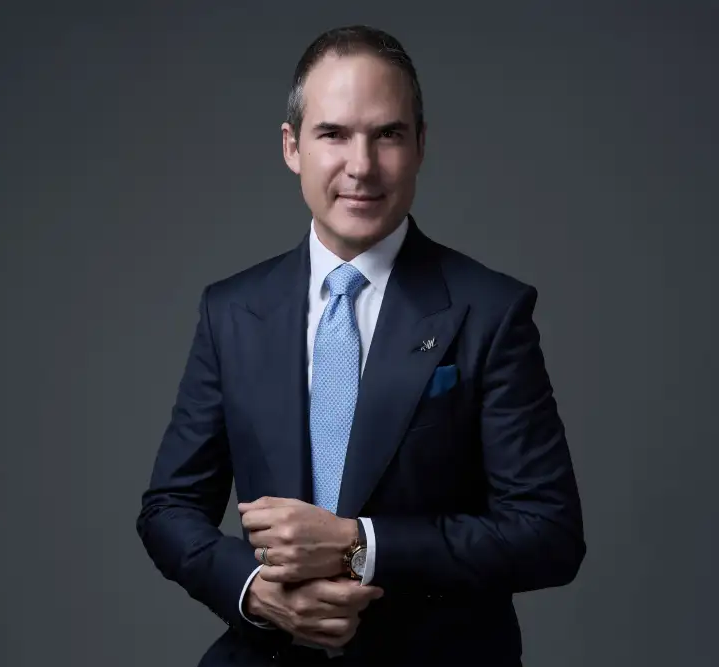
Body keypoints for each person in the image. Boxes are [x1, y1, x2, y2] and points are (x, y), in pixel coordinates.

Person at [136, 24, 585, 667]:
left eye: (388, 135)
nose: (362, 166)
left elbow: (548, 534)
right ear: (292, 147)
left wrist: (360, 545)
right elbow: (170, 508)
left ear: (421, 145)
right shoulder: (231, 311)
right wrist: (255, 591)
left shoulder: (491, 311)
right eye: (333, 134)